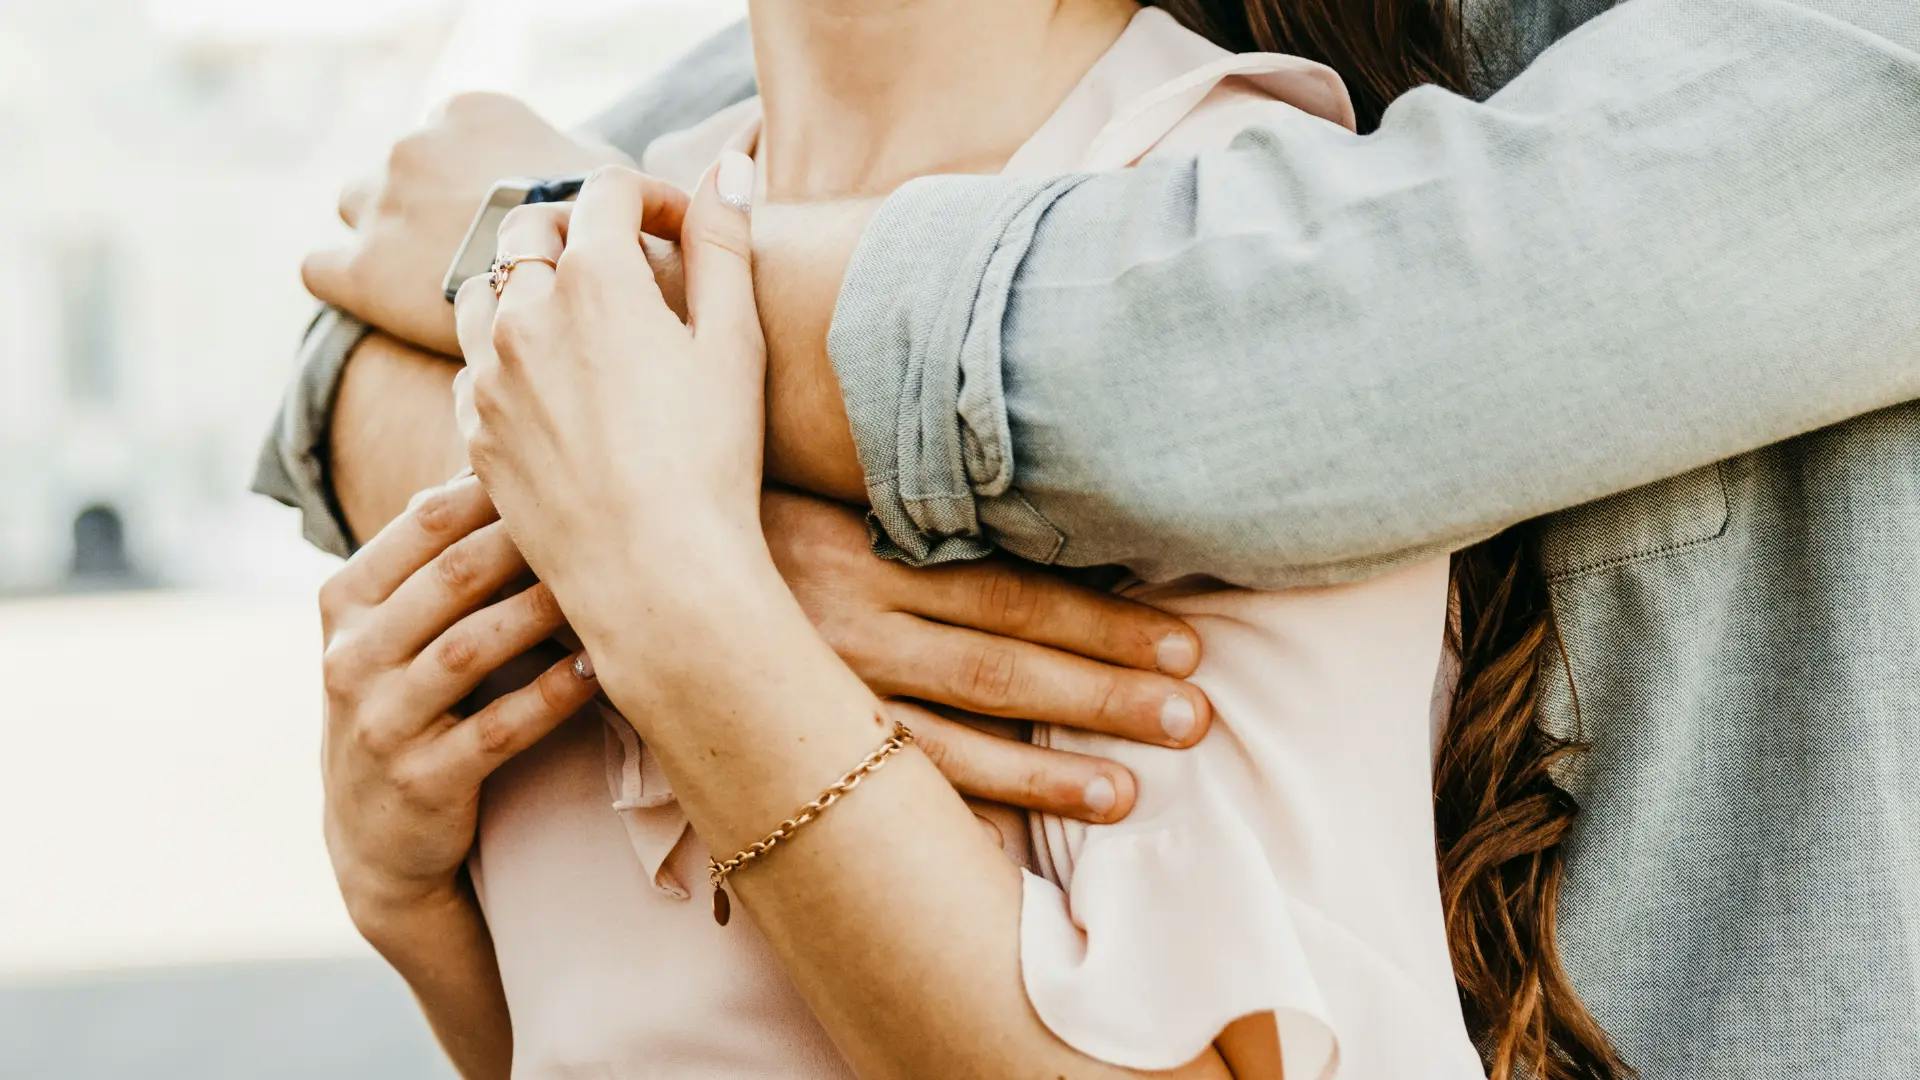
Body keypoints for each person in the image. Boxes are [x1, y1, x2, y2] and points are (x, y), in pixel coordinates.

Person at [260, 3, 1920, 1080]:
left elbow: (1252, 353)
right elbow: (353, 322)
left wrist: (674, 572)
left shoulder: (1225, 196)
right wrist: (411, 909)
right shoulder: (686, 170)